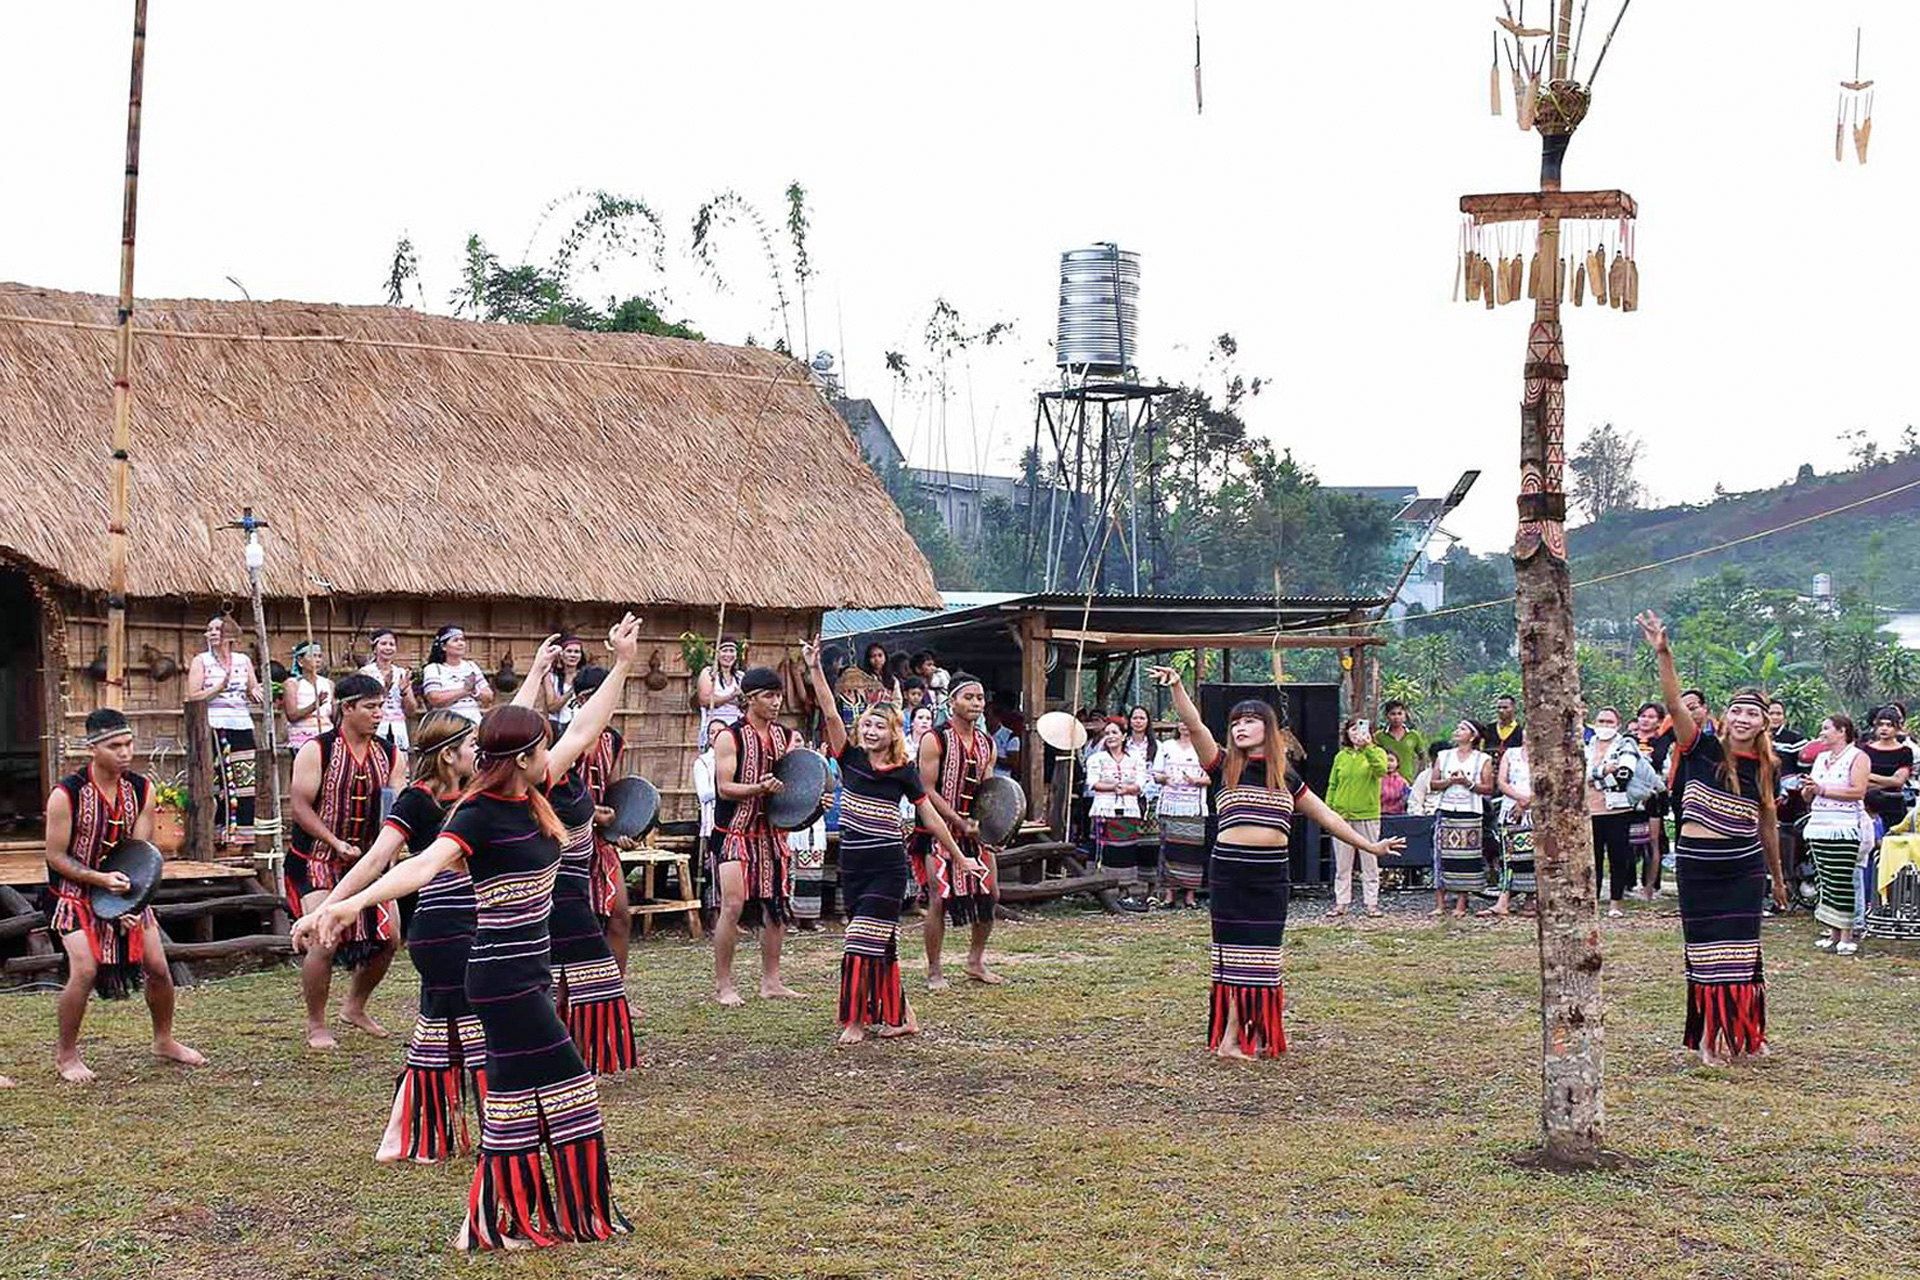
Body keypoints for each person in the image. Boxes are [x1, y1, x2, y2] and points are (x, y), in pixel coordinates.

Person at [311, 615, 642, 1252]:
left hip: (526, 975)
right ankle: (505, 1220)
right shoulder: (478, 813)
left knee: (519, 1100)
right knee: (570, 1088)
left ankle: (497, 1222)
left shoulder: (535, 791)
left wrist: (622, 665)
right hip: (498, 979)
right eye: (541, 747)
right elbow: (418, 866)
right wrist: (346, 905)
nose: (554, 753)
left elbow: (584, 726)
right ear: (522, 758)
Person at [1150, 667, 1402, 1058]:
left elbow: (1330, 818)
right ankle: (1231, 1040)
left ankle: (1263, 1033)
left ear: (1268, 728)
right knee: (1234, 957)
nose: (1240, 728)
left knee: (1265, 959)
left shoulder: (1287, 778)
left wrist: (1372, 847)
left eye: (1249, 721)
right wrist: (1178, 687)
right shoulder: (1222, 766)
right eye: (1235, 722)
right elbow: (1195, 723)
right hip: (1231, 873)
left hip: (1271, 877)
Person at [292, 710, 483, 1163]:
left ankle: (422, 1135)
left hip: (479, 923)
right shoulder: (416, 802)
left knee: (449, 1032)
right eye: (472, 745)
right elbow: (376, 860)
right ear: (449, 754)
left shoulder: (480, 793)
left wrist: (535, 672)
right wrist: (330, 906)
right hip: (442, 927)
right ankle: (455, 1133)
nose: (480, 752)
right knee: (465, 1029)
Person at [801, 642, 978, 1044]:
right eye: (866, 725)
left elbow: (929, 816)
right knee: (880, 946)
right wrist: (815, 669)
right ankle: (905, 1017)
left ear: (894, 732)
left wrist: (957, 857)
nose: (871, 730)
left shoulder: (903, 771)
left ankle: (855, 1021)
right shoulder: (850, 759)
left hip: (887, 870)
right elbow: (830, 711)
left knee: (859, 940)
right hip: (854, 867)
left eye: (880, 726)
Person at [1638, 610, 1788, 1066]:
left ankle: (1749, 1034)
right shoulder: (1699, 746)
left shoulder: (1767, 769)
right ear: (1726, 717)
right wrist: (1664, 653)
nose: (1744, 718)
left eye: (1753, 714)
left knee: (1744, 952)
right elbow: (1676, 704)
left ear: (1764, 724)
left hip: (1743, 866)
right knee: (1704, 953)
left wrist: (1777, 879)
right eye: (1738, 711)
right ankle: (1708, 1040)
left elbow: (1767, 825)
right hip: (1700, 865)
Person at [44, 709, 206, 1083]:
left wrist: (132, 904)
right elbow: (55, 856)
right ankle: (66, 1055)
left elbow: (140, 852)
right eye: (115, 745)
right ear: (92, 749)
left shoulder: (141, 789)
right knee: (83, 969)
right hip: (73, 892)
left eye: (128, 743)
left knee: (159, 968)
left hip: (126, 889)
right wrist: (99, 880)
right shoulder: (65, 794)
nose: (125, 752)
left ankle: (163, 1040)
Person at [512, 643, 640, 1074]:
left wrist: (614, 821)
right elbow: (512, 726)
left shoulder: (568, 765)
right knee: (557, 971)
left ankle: (574, 1051)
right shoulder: (534, 780)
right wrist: (534, 675)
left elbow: (594, 740)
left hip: (580, 871)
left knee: (598, 948)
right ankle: (557, 1054)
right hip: (545, 891)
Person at [288, 673, 400, 1049]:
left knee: (390, 938)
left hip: (370, 860)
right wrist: (333, 841)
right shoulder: (316, 749)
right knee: (325, 938)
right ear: (346, 708)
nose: (378, 714)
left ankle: (354, 1007)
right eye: (370, 707)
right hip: (319, 859)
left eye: (381, 706)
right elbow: (300, 805)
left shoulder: (390, 753)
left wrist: (390, 849)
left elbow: (394, 806)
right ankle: (316, 1024)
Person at [711, 666, 807, 1005]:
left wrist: (815, 797)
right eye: (769, 695)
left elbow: (798, 782)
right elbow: (724, 788)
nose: (777, 701)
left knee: (776, 907)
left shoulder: (785, 736)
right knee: (733, 905)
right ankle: (724, 985)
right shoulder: (729, 736)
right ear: (749, 699)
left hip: (773, 833)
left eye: (779, 695)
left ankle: (771, 981)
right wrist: (758, 787)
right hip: (735, 830)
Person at [917, 672, 1005, 987]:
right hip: (936, 829)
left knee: (990, 893)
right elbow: (926, 790)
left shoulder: (987, 743)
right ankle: (934, 970)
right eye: (968, 697)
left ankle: (975, 961)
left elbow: (990, 792)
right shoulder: (934, 738)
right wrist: (958, 822)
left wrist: (995, 828)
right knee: (939, 898)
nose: (975, 703)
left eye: (980, 698)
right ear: (952, 701)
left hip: (974, 832)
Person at [560, 666, 633, 973]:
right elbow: (550, 794)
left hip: (601, 842)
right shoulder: (559, 736)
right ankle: (565, 994)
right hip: (561, 842)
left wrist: (624, 829)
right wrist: (589, 815)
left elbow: (614, 794)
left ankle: (615, 994)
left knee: (620, 915)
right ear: (581, 699)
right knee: (571, 922)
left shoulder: (613, 740)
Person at [184, 615, 264, 854]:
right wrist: (220, 686)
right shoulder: (202, 661)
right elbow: (193, 696)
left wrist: (258, 691)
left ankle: (245, 839)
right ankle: (221, 839)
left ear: (230, 634)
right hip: (216, 725)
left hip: (242, 725)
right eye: (209, 629)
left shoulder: (243, 660)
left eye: (218, 629)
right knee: (222, 784)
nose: (213, 633)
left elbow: (253, 687)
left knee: (246, 783)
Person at [1800, 715, 1868, 957]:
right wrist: (1809, 791)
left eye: (1826, 728)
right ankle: (1832, 933)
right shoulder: (1820, 758)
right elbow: (1811, 796)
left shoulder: (1858, 757)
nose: (1822, 733)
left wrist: (1823, 789)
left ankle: (1847, 935)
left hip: (1844, 826)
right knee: (1824, 879)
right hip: (1818, 825)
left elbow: (1858, 791)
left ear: (1842, 731)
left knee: (1841, 880)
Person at [1586, 707, 1657, 918]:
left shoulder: (1625, 745)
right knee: (1593, 858)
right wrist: (1601, 772)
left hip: (1618, 809)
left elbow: (1623, 774)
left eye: (1609, 722)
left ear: (1618, 724)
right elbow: (1582, 773)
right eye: (1601, 721)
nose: (1604, 725)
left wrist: (1599, 775)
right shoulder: (1587, 746)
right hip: (1591, 810)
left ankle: (1615, 903)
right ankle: (1594, 901)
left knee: (1618, 857)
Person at [1326, 717, 1390, 919]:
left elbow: (1381, 770)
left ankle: (1371, 904)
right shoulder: (1341, 756)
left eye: (1361, 729)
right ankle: (1341, 903)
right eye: (1352, 729)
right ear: (1346, 733)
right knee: (1342, 863)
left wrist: (1369, 747)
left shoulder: (1377, 753)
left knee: (1369, 860)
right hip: (1341, 816)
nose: (1357, 733)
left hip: (1367, 815)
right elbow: (1333, 784)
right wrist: (1328, 811)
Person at [1432, 721, 1494, 918]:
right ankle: (1440, 904)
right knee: (1442, 856)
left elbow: (1488, 787)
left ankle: (1461, 903)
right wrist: (1450, 781)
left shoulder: (1482, 758)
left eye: (1462, 729)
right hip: (1446, 808)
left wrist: (1467, 783)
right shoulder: (1444, 756)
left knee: (1466, 858)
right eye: (1457, 728)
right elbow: (1433, 783)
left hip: (1470, 810)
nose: (1457, 731)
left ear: (1473, 736)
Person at [1088, 720, 1151, 910]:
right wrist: (1114, 788)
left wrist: (1129, 789)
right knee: (1104, 850)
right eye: (1107, 733)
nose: (1111, 737)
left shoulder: (1136, 759)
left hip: (1129, 810)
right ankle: (1102, 890)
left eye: (1115, 732)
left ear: (1124, 736)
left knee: (1125, 851)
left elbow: (1141, 784)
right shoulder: (1097, 759)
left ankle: (1125, 891)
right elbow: (1092, 783)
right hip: (1104, 810)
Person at [1153, 720, 1209, 908]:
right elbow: (1156, 774)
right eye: (1181, 722)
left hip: (1192, 807)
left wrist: (1196, 780)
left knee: (1192, 851)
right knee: (1169, 849)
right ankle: (1169, 896)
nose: (1185, 726)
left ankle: (1190, 897)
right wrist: (1165, 779)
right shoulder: (1166, 746)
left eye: (1189, 722)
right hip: (1170, 804)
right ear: (1177, 725)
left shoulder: (1203, 747)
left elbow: (1211, 777)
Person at [1482, 742, 1535, 917]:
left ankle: (1530, 900)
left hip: (1536, 811)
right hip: (1511, 809)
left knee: (1532, 857)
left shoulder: (1546, 754)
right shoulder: (1511, 754)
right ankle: (1502, 901)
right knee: (1508, 857)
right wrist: (1519, 799)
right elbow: (1502, 782)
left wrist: (1528, 802)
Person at [361, 627, 420, 776]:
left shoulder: (401, 673)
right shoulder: (366, 673)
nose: (388, 648)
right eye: (383, 644)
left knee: (398, 770)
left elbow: (411, 709)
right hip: (374, 726)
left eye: (391, 644)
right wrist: (385, 689)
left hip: (397, 729)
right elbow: (362, 703)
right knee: (375, 769)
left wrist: (404, 690)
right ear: (375, 648)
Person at [1634, 701, 1675, 898]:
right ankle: (1626, 883)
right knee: (1628, 840)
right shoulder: (1627, 739)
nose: (1646, 720)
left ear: (1659, 721)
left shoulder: (1663, 742)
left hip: (1654, 796)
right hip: (1628, 797)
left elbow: (1666, 770)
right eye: (1643, 716)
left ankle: (1650, 886)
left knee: (1653, 840)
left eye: (1651, 717)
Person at [422, 625, 493, 724]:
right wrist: (464, 691)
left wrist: (474, 691)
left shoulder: (471, 666)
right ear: (443, 646)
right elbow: (435, 699)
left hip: (473, 721)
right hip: (446, 723)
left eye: (462, 640)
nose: (461, 644)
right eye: (455, 640)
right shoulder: (433, 669)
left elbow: (489, 696)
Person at [283, 640, 335, 757]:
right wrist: (315, 705)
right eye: (313, 656)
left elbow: (334, 715)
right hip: (302, 738)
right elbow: (292, 715)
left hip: (326, 734)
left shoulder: (328, 684)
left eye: (319, 656)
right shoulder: (292, 684)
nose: (317, 660)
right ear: (301, 661)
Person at [696, 634, 744, 747]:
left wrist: (743, 699)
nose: (728, 655)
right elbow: (704, 700)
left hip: (736, 723)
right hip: (715, 723)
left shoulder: (740, 676)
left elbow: (745, 703)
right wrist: (731, 696)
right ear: (717, 654)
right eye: (724, 650)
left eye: (732, 651)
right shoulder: (709, 673)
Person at [542, 635, 587, 729]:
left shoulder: (587, 676)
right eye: (569, 651)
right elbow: (552, 708)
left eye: (577, 652)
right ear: (561, 655)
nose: (573, 655)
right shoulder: (550, 677)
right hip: (558, 728)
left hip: (582, 728)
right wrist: (573, 689)